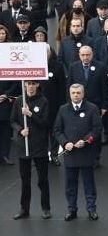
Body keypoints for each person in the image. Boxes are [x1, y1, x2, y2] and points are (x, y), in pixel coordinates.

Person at [53, 84, 102, 221]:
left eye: (78, 92)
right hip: (70, 154)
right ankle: (71, 209)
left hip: (86, 152)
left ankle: (92, 209)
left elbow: (97, 129)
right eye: (73, 93)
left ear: (83, 93)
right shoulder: (63, 109)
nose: (76, 95)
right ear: (69, 94)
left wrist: (86, 141)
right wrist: (65, 143)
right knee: (70, 185)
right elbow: (57, 130)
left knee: (89, 184)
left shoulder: (92, 108)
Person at [10, 80, 51, 220]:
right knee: (25, 180)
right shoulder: (19, 100)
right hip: (24, 146)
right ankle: (24, 209)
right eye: (28, 83)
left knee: (42, 180)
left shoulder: (44, 101)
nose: (31, 86)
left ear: (38, 85)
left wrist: (30, 114)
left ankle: (46, 208)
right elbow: (13, 121)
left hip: (39, 146)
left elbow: (45, 123)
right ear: (25, 85)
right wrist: (21, 130)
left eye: (34, 84)